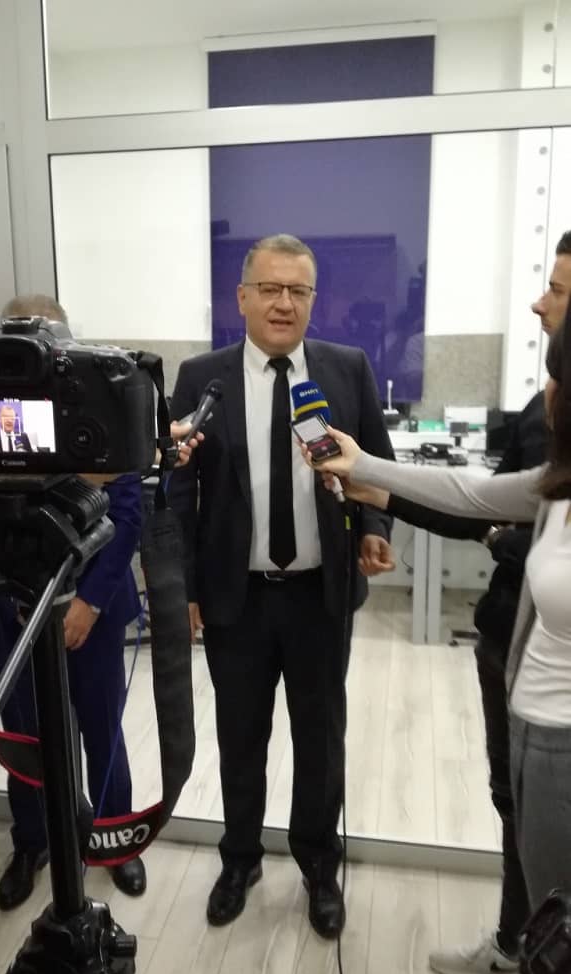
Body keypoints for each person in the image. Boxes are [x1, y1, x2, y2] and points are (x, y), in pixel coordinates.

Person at [305, 304, 571, 934]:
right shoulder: (557, 483)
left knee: (556, 922)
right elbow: (469, 494)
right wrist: (363, 464)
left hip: (561, 739)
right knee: (546, 912)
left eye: (557, 379)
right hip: (530, 719)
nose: (547, 392)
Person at [168, 233, 395, 938]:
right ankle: (239, 859)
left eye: (298, 291)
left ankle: (320, 866)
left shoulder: (345, 369)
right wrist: (184, 588)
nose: (283, 303)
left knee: (321, 739)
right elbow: (178, 493)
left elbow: (377, 465)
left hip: (320, 596)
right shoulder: (202, 378)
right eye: (269, 289)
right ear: (242, 297)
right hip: (234, 599)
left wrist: (373, 528)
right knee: (241, 737)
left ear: (313, 301)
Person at [359, 231, 571, 974]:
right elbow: (478, 496)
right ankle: (516, 945)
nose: (539, 304)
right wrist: (371, 476)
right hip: (522, 690)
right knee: (521, 835)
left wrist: (502, 538)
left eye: (558, 292)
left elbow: (496, 518)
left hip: (557, 732)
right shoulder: (554, 460)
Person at [0, 294, 146, 909]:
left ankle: (113, 839)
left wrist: (89, 604)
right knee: (26, 734)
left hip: (93, 611)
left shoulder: (97, 406)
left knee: (102, 728)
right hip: (13, 612)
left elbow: (125, 517)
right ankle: (33, 841)